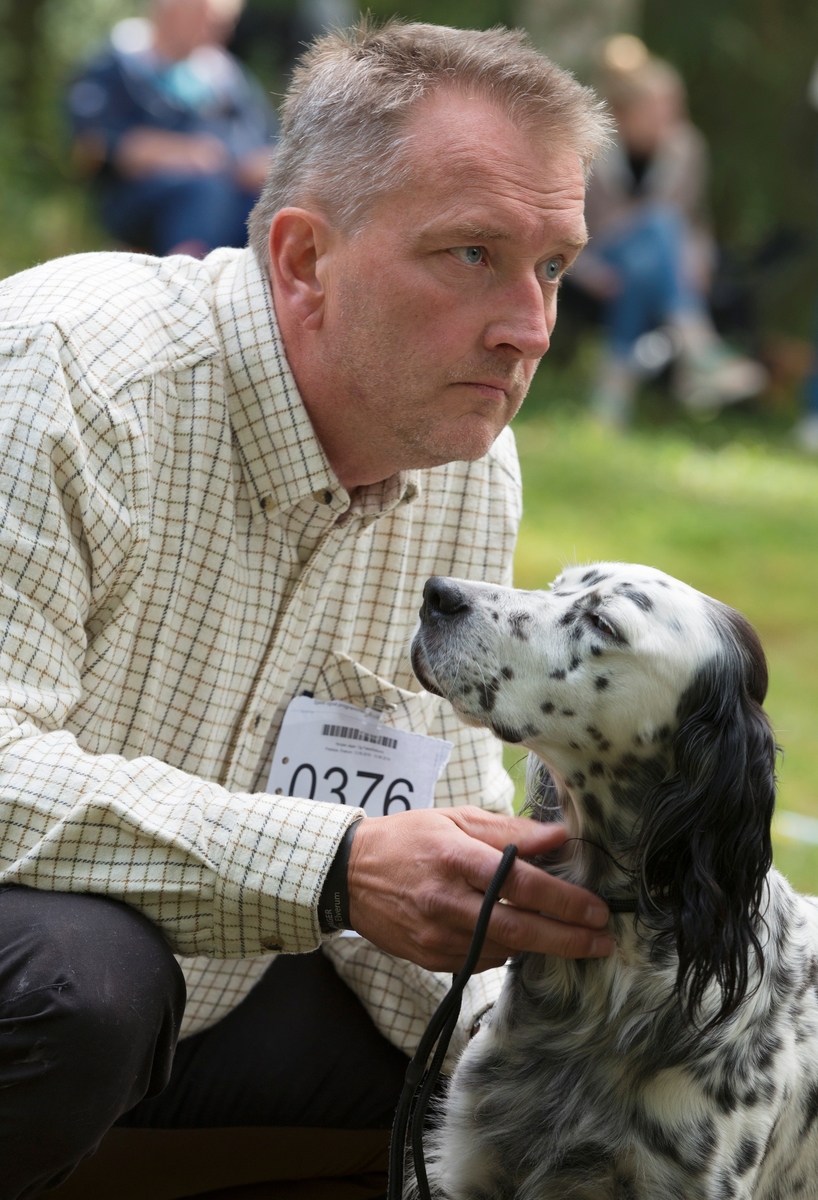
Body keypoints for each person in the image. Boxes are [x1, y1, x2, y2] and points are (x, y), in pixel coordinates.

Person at [0, 20, 613, 1200]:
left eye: (550, 267)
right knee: (82, 984)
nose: (528, 329)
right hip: (73, 982)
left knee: (541, 1079)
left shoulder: (466, 463)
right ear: (301, 259)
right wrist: (333, 864)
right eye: (472, 254)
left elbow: (425, 821)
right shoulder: (64, 375)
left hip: (210, 994)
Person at [569, 35, 767, 427]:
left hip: (652, 267)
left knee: (651, 250)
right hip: (597, 257)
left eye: (676, 107)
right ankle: (698, 349)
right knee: (659, 223)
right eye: (659, 109)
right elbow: (568, 220)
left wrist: (697, 260)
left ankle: (610, 402)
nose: (671, 118)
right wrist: (586, 269)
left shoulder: (686, 148)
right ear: (627, 112)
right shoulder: (592, 147)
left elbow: (695, 221)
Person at [67, 0, 277, 258]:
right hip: (147, 201)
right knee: (204, 191)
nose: (218, 29)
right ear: (167, 10)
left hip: (232, 196)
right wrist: (183, 154)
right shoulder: (115, 68)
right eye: (206, 16)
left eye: (225, 21)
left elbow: (266, 142)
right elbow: (96, 144)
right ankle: (183, 284)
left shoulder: (227, 77)